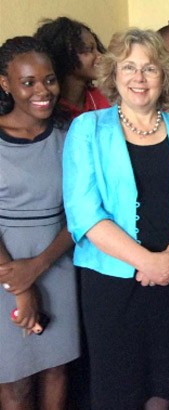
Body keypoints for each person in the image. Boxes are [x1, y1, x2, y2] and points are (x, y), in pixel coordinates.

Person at [62, 29, 169, 410]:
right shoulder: (87, 130)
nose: (139, 78)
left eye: (149, 68)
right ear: (112, 74)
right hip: (112, 285)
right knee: (119, 388)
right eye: (128, 67)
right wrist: (147, 262)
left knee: (166, 385)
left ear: (164, 75)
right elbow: (83, 212)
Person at [0, 36, 78, 410]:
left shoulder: (68, 140)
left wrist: (40, 266)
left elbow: (80, 215)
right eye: (28, 82)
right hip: (5, 270)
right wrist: (19, 284)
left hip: (57, 262)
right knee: (14, 382)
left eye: (48, 80)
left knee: (56, 371)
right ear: (6, 84)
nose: (41, 90)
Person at [34, 16, 110, 119]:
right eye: (89, 49)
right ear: (65, 54)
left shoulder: (105, 99)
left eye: (97, 48)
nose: (100, 55)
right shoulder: (47, 107)